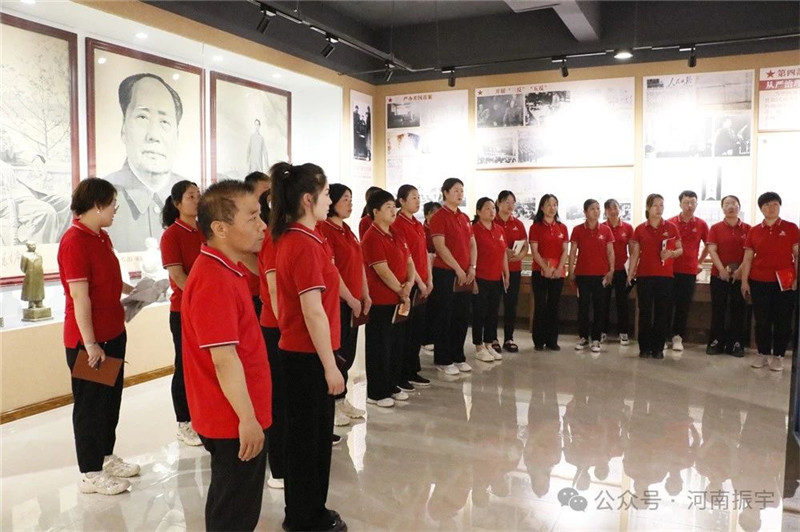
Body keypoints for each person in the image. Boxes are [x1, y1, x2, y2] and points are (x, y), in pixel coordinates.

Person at [181, 180, 272, 531]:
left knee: (233, 501)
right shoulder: (213, 279)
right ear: (220, 228)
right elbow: (223, 359)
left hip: (238, 411)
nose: (262, 226)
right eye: (252, 218)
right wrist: (247, 419)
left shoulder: (227, 268)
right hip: (231, 417)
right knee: (234, 510)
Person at [271, 163, 347, 532]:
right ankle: (304, 518)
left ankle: (310, 510)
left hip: (309, 354)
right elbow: (312, 311)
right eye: (327, 193)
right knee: (306, 443)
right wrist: (330, 366)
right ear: (307, 199)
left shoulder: (308, 238)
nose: (330, 200)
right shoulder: (300, 243)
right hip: (307, 357)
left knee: (312, 441)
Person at [57, 177, 139, 496]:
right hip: (90, 341)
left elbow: (109, 280)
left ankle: (105, 456)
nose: (115, 209)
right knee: (91, 406)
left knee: (109, 402)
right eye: (112, 204)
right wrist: (90, 344)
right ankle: (90, 472)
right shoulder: (74, 241)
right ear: (96, 205)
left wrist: (138, 291)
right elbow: (80, 297)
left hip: (113, 332)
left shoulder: (101, 237)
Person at [105, 73, 185, 253]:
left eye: (165, 122)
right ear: (123, 128)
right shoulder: (97, 199)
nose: (153, 135)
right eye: (142, 117)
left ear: (177, 136)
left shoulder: (196, 200)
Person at [318, 184, 370, 424]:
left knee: (348, 353)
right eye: (345, 199)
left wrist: (365, 294)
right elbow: (332, 272)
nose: (350, 204)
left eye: (351, 199)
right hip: (337, 301)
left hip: (353, 301)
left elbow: (359, 263)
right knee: (336, 355)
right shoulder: (325, 230)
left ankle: (342, 399)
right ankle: (333, 403)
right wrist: (349, 297)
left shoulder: (347, 229)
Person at [159, 180, 204, 447]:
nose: (197, 200)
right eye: (191, 196)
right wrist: (201, 298)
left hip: (206, 308)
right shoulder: (172, 235)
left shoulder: (204, 230)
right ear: (177, 203)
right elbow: (178, 276)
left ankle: (201, 415)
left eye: (198, 195)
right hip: (184, 309)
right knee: (184, 365)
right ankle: (184, 421)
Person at [362, 189, 415, 406]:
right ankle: (376, 392)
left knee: (395, 344)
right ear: (375, 211)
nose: (393, 211)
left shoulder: (397, 233)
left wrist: (409, 284)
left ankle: (391, 384)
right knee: (379, 346)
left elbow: (409, 262)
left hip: (400, 299)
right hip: (381, 300)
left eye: (394, 206)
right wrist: (401, 290)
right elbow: (382, 271)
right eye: (388, 207)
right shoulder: (372, 237)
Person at [741, 191, 799, 372]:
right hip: (759, 281)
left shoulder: (791, 228)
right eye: (766, 205)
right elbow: (748, 258)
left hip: (785, 282)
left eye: (775, 204)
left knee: (783, 320)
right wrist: (744, 281)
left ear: (780, 206)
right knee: (762, 320)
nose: (771, 208)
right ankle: (763, 353)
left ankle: (779, 356)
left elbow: (797, 256)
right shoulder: (754, 231)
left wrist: (797, 278)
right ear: (761, 209)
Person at [255, 166, 286, 489]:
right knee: (278, 398)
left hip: (287, 329)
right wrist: (288, 333)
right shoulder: (274, 240)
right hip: (279, 329)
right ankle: (279, 466)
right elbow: (276, 292)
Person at [429, 178, 476, 375]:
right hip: (446, 273)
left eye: (462, 190)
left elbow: (472, 244)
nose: (460, 193)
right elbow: (440, 247)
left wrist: (472, 267)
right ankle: (443, 359)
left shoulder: (464, 217)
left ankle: (458, 356)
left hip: (465, 273)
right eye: (456, 190)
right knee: (444, 317)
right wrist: (457, 269)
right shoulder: (439, 217)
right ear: (446, 192)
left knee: (461, 317)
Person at [627, 194, 683, 360]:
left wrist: (671, 253)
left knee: (662, 312)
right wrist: (630, 273)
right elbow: (635, 254)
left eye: (661, 205)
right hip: (645, 275)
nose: (659, 209)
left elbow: (680, 249)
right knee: (645, 312)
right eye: (655, 205)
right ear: (648, 207)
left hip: (665, 276)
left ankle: (658, 348)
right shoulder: (640, 229)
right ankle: (644, 348)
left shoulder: (671, 227)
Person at [391, 185, 433, 388]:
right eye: (413, 197)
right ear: (401, 201)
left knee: (417, 330)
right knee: (405, 333)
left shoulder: (417, 223)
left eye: (418, 197)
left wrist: (429, 279)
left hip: (423, 283)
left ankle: (413, 369)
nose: (417, 201)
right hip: (411, 284)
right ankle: (401, 373)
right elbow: (407, 259)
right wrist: (419, 282)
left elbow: (423, 253)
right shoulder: (398, 224)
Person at [706, 195, 750, 357]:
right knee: (719, 309)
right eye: (727, 204)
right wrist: (721, 270)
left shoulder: (748, 229)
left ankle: (736, 344)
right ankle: (716, 342)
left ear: (739, 207)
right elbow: (712, 250)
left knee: (738, 310)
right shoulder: (715, 228)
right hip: (719, 276)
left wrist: (740, 271)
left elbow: (749, 254)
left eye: (734, 203)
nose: (731, 206)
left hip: (740, 277)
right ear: (722, 208)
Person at [569, 199, 615, 354]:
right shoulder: (577, 230)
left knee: (599, 307)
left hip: (600, 276)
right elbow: (573, 251)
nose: (596, 211)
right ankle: (583, 337)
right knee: (583, 307)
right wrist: (571, 270)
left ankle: (596, 339)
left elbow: (610, 251)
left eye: (598, 208)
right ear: (585, 212)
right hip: (582, 275)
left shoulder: (606, 230)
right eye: (592, 209)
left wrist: (611, 270)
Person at [666, 190, 709, 351]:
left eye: (692, 202)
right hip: (669, 271)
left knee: (683, 305)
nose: (689, 206)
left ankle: (678, 337)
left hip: (689, 271)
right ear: (680, 204)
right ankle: (663, 337)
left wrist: (699, 262)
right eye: (686, 202)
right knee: (667, 304)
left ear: (696, 204)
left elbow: (709, 245)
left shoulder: (701, 224)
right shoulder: (670, 223)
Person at [528, 194, 569, 351]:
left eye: (555, 204)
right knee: (540, 305)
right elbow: (535, 251)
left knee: (554, 306)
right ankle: (538, 341)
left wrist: (558, 269)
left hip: (558, 272)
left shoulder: (562, 227)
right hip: (540, 271)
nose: (552, 208)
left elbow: (565, 250)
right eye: (549, 204)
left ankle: (552, 340)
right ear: (542, 207)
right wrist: (545, 268)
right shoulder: (535, 227)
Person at [471, 197, 509, 362]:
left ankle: (488, 343)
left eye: (493, 208)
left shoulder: (499, 229)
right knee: (479, 312)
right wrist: (472, 278)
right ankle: (478, 346)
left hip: (496, 278)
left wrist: (506, 273)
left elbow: (503, 253)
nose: (492, 211)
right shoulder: (473, 230)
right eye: (487, 208)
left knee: (493, 313)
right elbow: (469, 255)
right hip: (480, 277)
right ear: (478, 211)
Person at [494, 190, 528, 353]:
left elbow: (525, 246)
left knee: (511, 305)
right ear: (498, 203)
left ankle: (509, 338)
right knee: (493, 305)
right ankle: (492, 338)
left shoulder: (518, 224)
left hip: (514, 269)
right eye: (507, 202)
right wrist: (502, 253)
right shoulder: (492, 221)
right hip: (495, 270)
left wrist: (519, 256)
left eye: (513, 202)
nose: (510, 206)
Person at [602, 199, 634, 345]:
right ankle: (602, 331)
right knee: (603, 301)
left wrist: (631, 271)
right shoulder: (602, 227)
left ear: (619, 209)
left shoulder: (627, 228)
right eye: (609, 209)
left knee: (622, 302)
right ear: (605, 211)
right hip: (606, 270)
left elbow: (632, 252)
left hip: (622, 270)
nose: (613, 211)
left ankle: (623, 332)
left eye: (615, 207)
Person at [421, 201, 441, 352]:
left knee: (437, 305)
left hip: (439, 270)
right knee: (427, 306)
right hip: (426, 271)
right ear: (427, 214)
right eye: (434, 213)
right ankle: (426, 338)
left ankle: (435, 336)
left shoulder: (439, 228)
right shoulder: (423, 230)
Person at [20, 241, 45, 309]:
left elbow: (41, 264)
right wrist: (29, 272)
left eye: (34, 245)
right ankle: (31, 303)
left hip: (39, 275)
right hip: (30, 275)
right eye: (31, 245)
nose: (34, 246)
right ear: (28, 246)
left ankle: (39, 301)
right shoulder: (25, 256)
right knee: (31, 289)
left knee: (39, 288)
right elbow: (23, 267)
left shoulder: (39, 255)